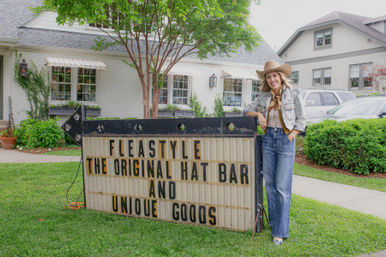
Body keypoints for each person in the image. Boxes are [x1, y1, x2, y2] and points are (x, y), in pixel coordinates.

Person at [245, 60, 305, 246]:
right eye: (268, 77)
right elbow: (246, 110)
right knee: (270, 185)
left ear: (281, 77)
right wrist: (260, 115)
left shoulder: (293, 93)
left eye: (275, 76)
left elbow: (302, 119)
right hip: (269, 139)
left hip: (286, 140)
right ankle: (274, 224)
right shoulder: (263, 97)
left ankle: (280, 231)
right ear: (266, 80)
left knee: (282, 187)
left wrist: (293, 134)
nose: (272, 79)